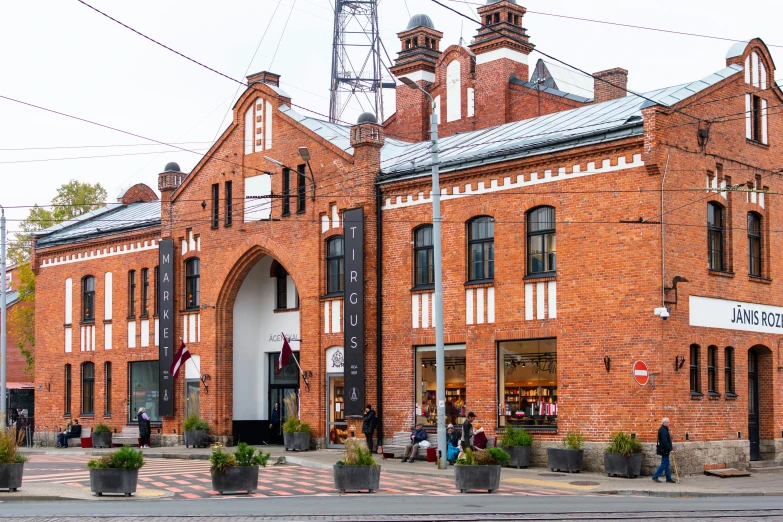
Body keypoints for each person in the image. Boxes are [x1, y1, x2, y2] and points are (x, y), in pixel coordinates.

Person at [652, 417, 675, 483]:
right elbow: (665, 442)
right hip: (665, 450)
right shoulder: (664, 430)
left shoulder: (663, 429)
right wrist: (670, 449)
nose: (669, 423)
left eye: (669, 422)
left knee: (667, 464)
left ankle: (668, 478)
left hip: (665, 449)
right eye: (668, 422)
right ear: (664, 423)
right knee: (664, 464)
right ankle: (655, 476)